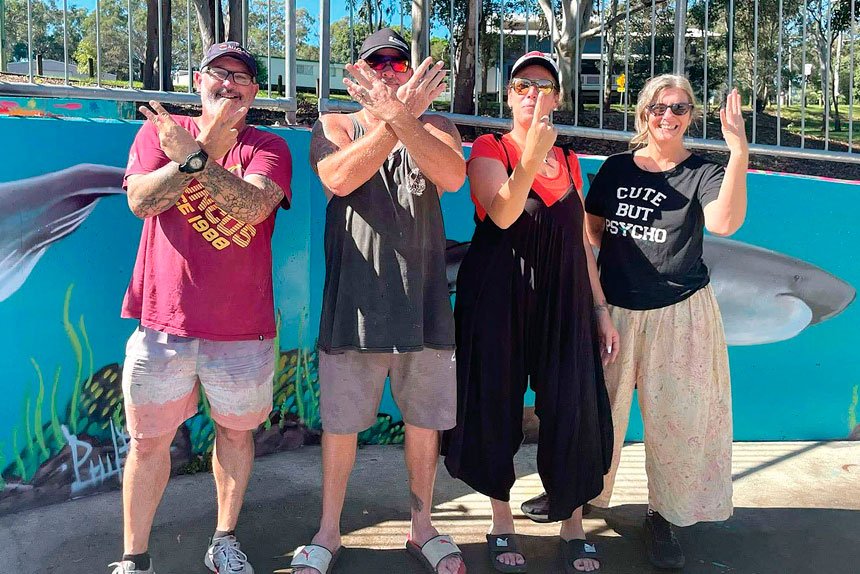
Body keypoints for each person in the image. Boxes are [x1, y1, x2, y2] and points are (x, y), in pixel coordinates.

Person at [522, 75, 749, 570]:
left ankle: (664, 516)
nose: (668, 117)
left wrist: (738, 155)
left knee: (677, 421)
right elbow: (594, 230)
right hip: (617, 312)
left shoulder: (703, 173)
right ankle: (575, 499)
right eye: (658, 108)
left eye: (680, 109)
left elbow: (724, 223)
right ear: (643, 113)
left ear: (691, 116)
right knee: (595, 412)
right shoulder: (617, 168)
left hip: (682, 312)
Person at [110, 41, 292, 574]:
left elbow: (253, 206)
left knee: (236, 435)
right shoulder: (157, 131)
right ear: (198, 79)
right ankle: (134, 558)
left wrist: (193, 155)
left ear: (255, 92)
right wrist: (195, 150)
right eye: (219, 72)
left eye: (242, 77)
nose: (230, 83)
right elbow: (143, 201)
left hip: (242, 331)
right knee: (147, 445)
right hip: (162, 324)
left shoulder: (267, 146)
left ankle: (224, 539)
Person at [290, 28, 467, 574]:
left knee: (423, 423)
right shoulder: (334, 124)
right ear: (357, 72)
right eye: (377, 62)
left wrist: (404, 117)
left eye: (397, 62)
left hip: (425, 310)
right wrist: (394, 117)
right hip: (354, 308)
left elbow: (453, 176)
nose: (388, 69)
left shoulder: (436, 125)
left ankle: (422, 527)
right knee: (341, 426)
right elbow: (339, 179)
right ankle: (328, 532)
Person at [441, 51, 617, 574]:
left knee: (573, 403)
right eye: (522, 85)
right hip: (498, 294)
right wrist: (530, 153)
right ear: (509, 94)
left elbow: (582, 242)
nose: (533, 93)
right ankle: (501, 523)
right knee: (494, 403)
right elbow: (501, 212)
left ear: (559, 97)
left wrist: (601, 308)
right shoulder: (490, 148)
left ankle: (571, 522)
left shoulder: (568, 158)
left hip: (564, 298)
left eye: (543, 84)